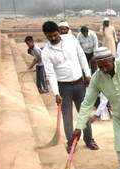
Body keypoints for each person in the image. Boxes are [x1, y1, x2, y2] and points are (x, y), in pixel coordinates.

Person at [41, 21, 99, 151]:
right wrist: (56, 93)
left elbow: (82, 57)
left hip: (79, 84)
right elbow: (50, 74)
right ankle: (71, 142)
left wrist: (87, 74)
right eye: (49, 37)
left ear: (59, 32)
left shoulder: (71, 40)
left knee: (84, 113)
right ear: (46, 35)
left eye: (55, 35)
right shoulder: (46, 52)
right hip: (63, 88)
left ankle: (89, 140)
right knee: (67, 117)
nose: (53, 38)